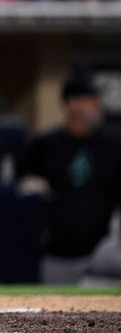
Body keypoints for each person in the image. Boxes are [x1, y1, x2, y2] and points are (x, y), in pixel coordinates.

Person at [19, 74, 121, 284]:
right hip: (58, 253)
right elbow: (21, 181)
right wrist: (30, 184)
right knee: (56, 313)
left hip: (101, 249)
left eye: (95, 100)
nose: (96, 106)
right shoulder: (46, 144)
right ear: (71, 104)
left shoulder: (113, 144)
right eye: (89, 100)